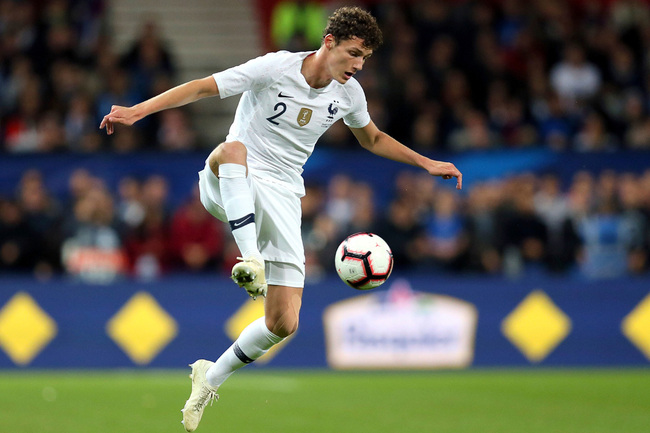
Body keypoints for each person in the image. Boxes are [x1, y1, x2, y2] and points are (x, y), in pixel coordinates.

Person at [100, 6, 462, 431]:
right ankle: (249, 259)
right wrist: (139, 111)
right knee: (233, 148)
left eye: (364, 58)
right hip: (231, 178)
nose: (358, 65)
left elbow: (373, 138)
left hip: (284, 194)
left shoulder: (349, 94)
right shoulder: (275, 68)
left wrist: (425, 163)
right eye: (352, 53)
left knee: (283, 322)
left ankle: (208, 378)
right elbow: (203, 88)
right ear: (328, 42)